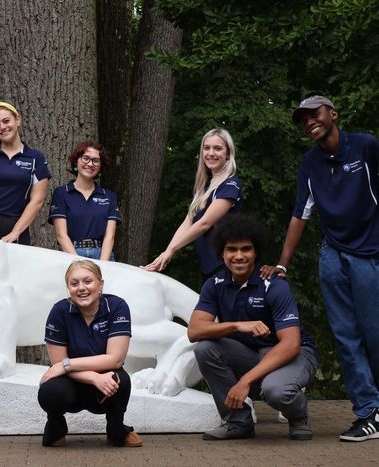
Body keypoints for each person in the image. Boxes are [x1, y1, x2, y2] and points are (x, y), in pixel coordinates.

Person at [260, 95, 379, 442]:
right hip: (333, 253)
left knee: (373, 332)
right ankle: (368, 412)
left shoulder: (366, 147)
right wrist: (283, 263)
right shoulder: (310, 163)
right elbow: (301, 214)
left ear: (333, 114)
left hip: (369, 252)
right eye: (303, 119)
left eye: (315, 114)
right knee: (346, 336)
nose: (310, 121)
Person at [189, 213, 318, 441]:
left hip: (292, 353)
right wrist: (238, 326)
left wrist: (244, 381)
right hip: (253, 353)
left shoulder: (274, 285)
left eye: (246, 249)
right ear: (221, 253)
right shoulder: (215, 284)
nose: (239, 256)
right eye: (232, 250)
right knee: (204, 348)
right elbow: (195, 331)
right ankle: (238, 422)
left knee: (275, 392)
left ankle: (298, 416)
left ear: (255, 252)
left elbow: (291, 344)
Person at [37, 260, 143, 448]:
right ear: (68, 288)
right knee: (49, 390)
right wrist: (94, 377)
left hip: (105, 385)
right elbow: (57, 364)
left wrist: (66, 364)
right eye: (74, 283)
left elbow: (115, 359)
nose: (81, 288)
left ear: (100, 284)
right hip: (71, 382)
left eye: (88, 281)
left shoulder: (117, 306)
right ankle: (56, 428)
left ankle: (117, 430)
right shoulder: (59, 311)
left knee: (121, 380)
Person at [144, 128, 242, 279]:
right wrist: (167, 252)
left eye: (218, 148)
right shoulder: (205, 185)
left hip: (227, 266)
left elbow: (205, 223)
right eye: (206, 148)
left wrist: (172, 250)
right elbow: (189, 220)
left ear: (228, 153)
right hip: (209, 266)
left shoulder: (230, 184)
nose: (211, 153)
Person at [0, 101, 51, 245]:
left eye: (6, 121)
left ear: (17, 120)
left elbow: (37, 200)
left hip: (15, 227)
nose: (2, 127)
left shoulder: (36, 158)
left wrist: (16, 232)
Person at [49, 141, 121, 261]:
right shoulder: (62, 193)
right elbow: (61, 235)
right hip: (71, 254)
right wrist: (78, 263)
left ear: (100, 166)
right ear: (76, 161)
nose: (90, 164)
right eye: (85, 158)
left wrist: (103, 265)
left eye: (95, 160)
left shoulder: (109, 196)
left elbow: (110, 236)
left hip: (103, 255)